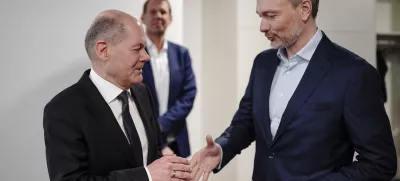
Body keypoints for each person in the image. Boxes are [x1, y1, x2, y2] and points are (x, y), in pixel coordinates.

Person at [189, 0, 397, 180]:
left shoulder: (354, 73)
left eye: (271, 16)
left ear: (305, 9)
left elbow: (380, 163)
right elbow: (246, 123)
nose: (262, 26)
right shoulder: (263, 63)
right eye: (260, 16)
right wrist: (222, 148)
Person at [43, 9, 192, 181]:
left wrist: (176, 171)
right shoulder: (63, 110)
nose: (146, 57)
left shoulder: (143, 93)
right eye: (137, 49)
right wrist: (146, 176)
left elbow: (151, 155)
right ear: (103, 50)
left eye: (144, 48)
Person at [140, 0, 197, 158]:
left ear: (170, 18)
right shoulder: (136, 53)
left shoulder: (181, 54)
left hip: (177, 141)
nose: (158, 15)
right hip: (145, 142)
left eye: (163, 12)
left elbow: (189, 95)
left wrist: (162, 124)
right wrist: (158, 139)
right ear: (143, 17)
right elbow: (133, 97)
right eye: (153, 12)